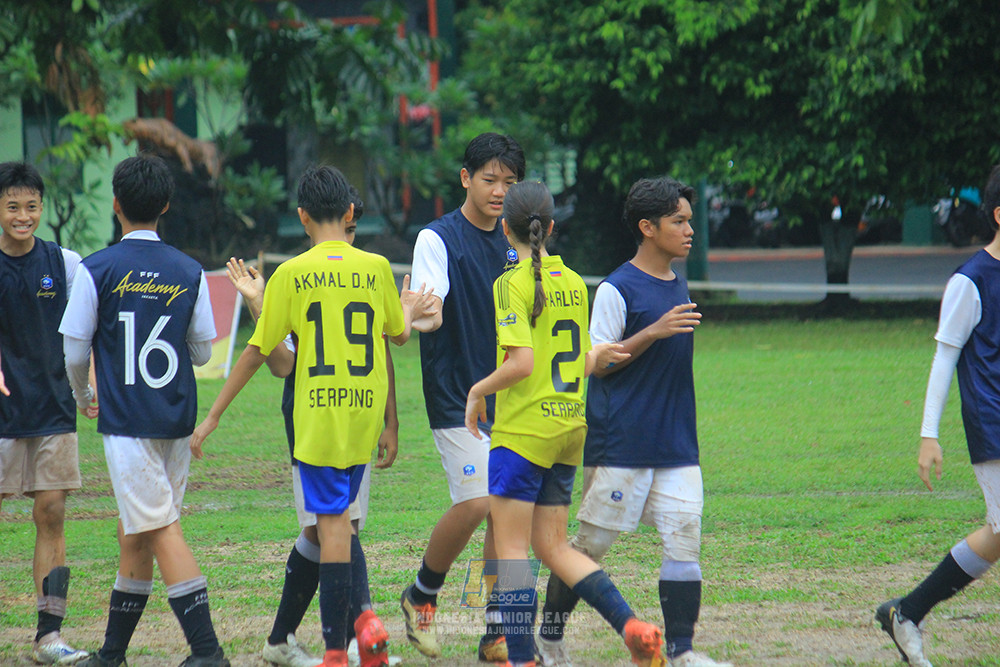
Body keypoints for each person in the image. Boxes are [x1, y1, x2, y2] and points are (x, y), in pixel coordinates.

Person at [190, 164, 422, 667]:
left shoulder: (292, 274)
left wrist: (211, 417)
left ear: (301, 217)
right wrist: (405, 306)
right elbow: (398, 336)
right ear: (351, 213)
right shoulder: (378, 267)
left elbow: (260, 352)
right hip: (363, 411)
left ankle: (341, 648)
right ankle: (354, 633)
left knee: (334, 523)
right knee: (339, 521)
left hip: (317, 414)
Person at [464, 179, 668, 667]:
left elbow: (522, 364)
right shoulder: (574, 282)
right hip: (569, 429)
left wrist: (478, 389)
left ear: (504, 231)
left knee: (511, 550)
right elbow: (576, 359)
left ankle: (521, 657)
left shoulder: (509, 284)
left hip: (523, 433)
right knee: (553, 548)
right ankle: (631, 625)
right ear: (550, 228)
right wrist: (596, 354)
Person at [535, 176, 732, 667]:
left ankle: (682, 652)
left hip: (677, 443)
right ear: (648, 227)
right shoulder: (616, 289)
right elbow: (597, 361)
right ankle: (548, 635)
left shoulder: (677, 279)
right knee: (591, 547)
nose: (689, 230)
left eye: (689, 220)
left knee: (685, 540)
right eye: (679, 221)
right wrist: (654, 331)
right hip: (620, 441)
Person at [60, 154, 227, 667]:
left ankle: (207, 652)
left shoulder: (97, 267)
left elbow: (73, 350)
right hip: (175, 418)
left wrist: (85, 395)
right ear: (167, 206)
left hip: (128, 422)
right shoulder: (189, 269)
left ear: (116, 206)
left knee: (157, 527)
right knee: (136, 529)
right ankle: (112, 655)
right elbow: (202, 351)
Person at [401, 132, 524, 663]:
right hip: (456, 394)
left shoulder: (517, 241)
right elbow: (433, 309)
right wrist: (413, 312)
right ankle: (421, 594)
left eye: (509, 182)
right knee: (479, 502)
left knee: (506, 513)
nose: (499, 191)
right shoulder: (437, 238)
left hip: (509, 394)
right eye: (490, 180)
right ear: (465, 179)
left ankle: (495, 629)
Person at [876, 164, 1000, 667]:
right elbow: (945, 356)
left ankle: (906, 612)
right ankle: (907, 612)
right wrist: (929, 434)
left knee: (996, 535)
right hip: (994, 423)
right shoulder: (971, 281)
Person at [0, 161, 90, 665]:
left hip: (54, 408)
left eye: (31, 206)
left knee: (51, 513)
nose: (23, 215)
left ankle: (48, 636)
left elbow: (84, 331)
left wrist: (88, 383)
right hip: (2, 414)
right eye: (12, 206)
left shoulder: (65, 264)